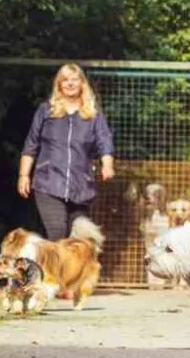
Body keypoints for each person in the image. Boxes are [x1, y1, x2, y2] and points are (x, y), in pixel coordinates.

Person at [17, 63, 116, 240]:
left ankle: (69, 268)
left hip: (81, 186)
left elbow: (104, 139)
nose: (70, 84)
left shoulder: (93, 114)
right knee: (57, 233)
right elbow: (31, 144)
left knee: (79, 240)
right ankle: (54, 268)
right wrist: (24, 175)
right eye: (65, 80)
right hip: (49, 183)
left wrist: (107, 164)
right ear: (59, 84)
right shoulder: (46, 111)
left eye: (74, 79)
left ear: (82, 84)